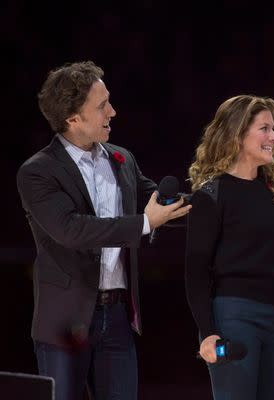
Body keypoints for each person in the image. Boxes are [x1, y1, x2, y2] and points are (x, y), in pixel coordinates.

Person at [15, 61, 191, 400]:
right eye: (101, 106)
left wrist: (216, 203)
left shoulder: (121, 159)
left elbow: (160, 203)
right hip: (64, 324)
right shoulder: (37, 172)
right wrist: (143, 223)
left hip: (118, 318)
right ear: (73, 118)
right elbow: (71, 229)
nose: (113, 110)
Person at [185, 95, 274, 400]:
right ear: (237, 133)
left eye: (273, 129)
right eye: (264, 129)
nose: (273, 137)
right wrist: (208, 333)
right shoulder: (211, 194)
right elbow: (196, 272)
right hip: (234, 316)